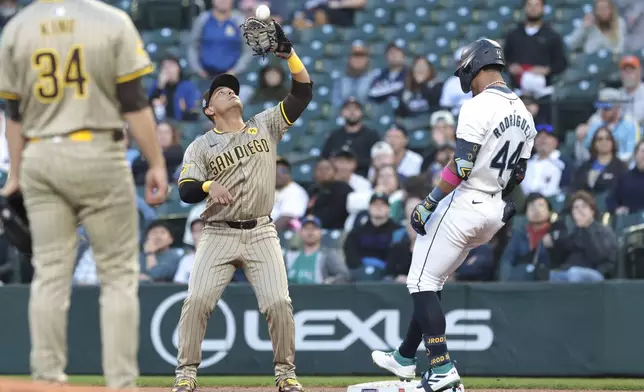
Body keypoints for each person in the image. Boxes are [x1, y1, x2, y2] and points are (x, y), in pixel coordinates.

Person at [0, 1, 168, 388]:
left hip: (40, 152)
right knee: (118, 275)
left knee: (50, 274)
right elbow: (133, 101)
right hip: (97, 150)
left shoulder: (18, 27)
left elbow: (14, 112)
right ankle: (121, 382)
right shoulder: (111, 20)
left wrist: (15, 173)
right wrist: (156, 161)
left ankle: (46, 379)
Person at [371, 39, 537, 391]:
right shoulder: (524, 112)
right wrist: (501, 201)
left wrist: (429, 202)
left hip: (465, 202)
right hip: (492, 209)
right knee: (432, 280)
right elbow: (518, 173)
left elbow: (461, 164)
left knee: (418, 283)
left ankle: (442, 368)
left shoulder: (479, 105)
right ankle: (404, 357)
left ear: (474, 66)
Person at [172, 24, 312, 392]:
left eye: (233, 89)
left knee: (279, 302)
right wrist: (206, 184)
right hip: (218, 232)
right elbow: (186, 190)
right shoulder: (200, 146)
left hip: (262, 232)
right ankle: (186, 375)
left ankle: (286, 375)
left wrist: (289, 55)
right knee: (198, 300)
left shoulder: (264, 125)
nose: (230, 92)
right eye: (221, 90)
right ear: (208, 109)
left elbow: (303, 92)